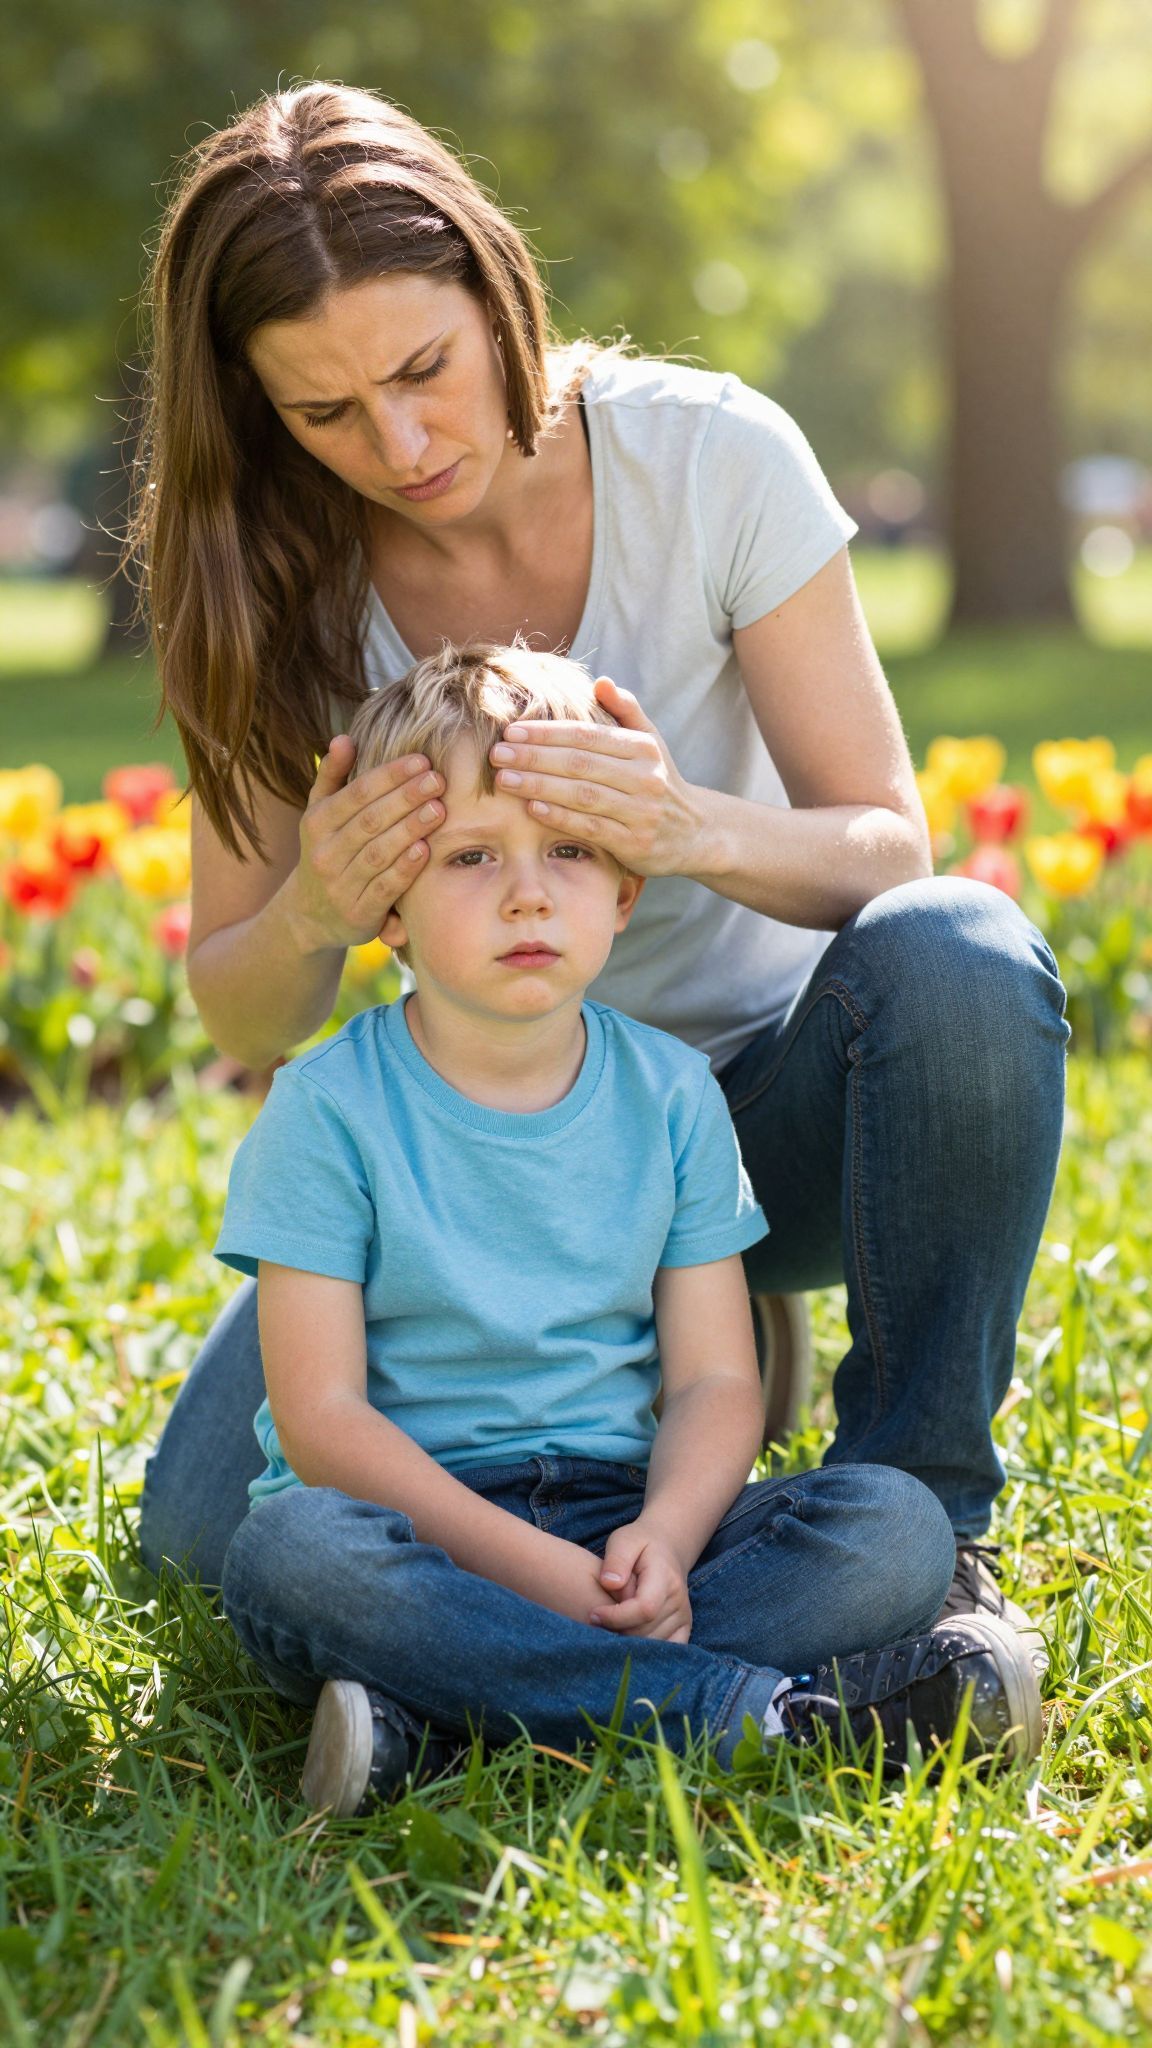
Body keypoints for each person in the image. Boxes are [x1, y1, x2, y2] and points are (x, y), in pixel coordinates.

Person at [131, 83, 1070, 1668]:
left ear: (500, 291)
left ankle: (926, 1525)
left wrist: (683, 825)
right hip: (469, 1175)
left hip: (764, 1117)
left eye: (426, 370)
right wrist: (315, 906)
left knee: (963, 953)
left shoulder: (709, 461)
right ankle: (689, 1647)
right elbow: (237, 991)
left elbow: (889, 849)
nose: (402, 445)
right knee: (210, 1540)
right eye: (324, 413)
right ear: (253, 408)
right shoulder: (261, 571)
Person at [213, 642, 1041, 1814]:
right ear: (384, 908)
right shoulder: (326, 1108)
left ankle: (440, 1729)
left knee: (895, 1526)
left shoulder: (671, 1096)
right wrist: (542, 1573)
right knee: (293, 1557)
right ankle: (755, 1717)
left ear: (626, 887)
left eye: (568, 849)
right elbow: (325, 1423)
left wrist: (662, 1529)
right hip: (414, 1532)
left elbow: (713, 1379)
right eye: (469, 856)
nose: (527, 892)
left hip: (623, 1522)